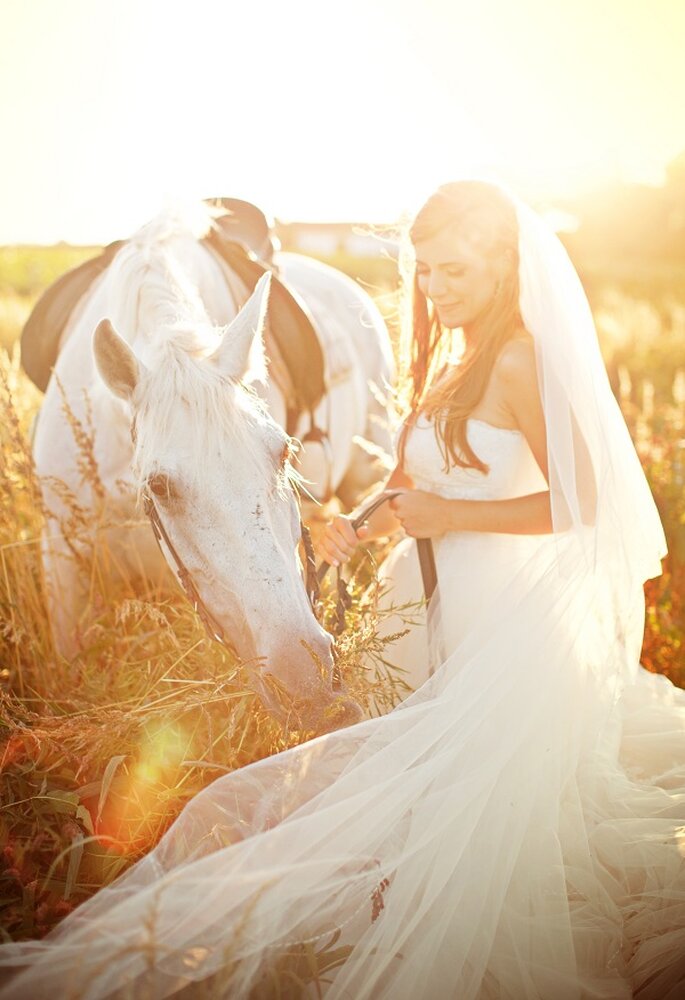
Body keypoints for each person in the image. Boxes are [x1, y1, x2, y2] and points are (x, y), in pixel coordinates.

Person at [1, 181, 684, 999]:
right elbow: (413, 483)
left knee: (473, 798)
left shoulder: (516, 357)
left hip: (496, 609)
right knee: (388, 780)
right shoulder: (453, 358)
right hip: (422, 593)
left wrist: (443, 512)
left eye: (454, 271)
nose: (434, 291)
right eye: (424, 272)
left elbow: (584, 502)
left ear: (506, 264)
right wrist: (358, 523)